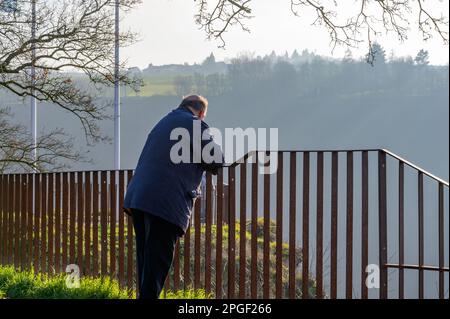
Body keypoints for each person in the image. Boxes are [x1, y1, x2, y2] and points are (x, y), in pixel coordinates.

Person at [123, 94, 223, 299]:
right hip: (164, 202)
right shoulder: (195, 124)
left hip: (139, 198)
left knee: (146, 265)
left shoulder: (163, 123)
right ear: (201, 113)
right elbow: (216, 159)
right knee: (156, 266)